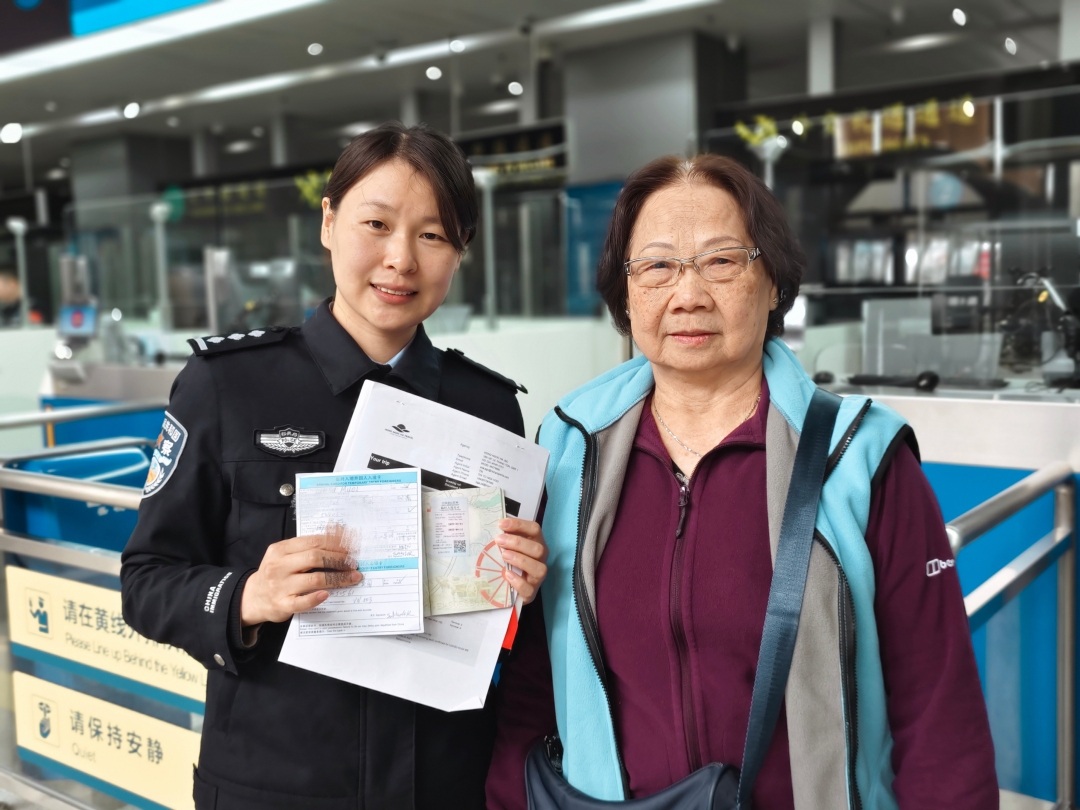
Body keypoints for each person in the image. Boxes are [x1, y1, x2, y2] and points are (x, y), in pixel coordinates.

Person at [486, 155, 997, 809]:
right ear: (626, 292)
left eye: (722, 261)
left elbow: (938, 715)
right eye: (658, 266)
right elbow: (535, 681)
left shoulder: (860, 460)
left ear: (773, 281)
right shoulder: (568, 451)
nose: (688, 295)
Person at [121, 122, 549, 810]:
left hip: (444, 783)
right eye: (376, 224)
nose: (400, 260)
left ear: (460, 250)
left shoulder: (487, 408)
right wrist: (247, 597)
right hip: (273, 785)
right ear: (328, 222)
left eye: (433, 235)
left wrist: (522, 583)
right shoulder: (227, 385)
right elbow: (146, 582)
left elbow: (500, 619)